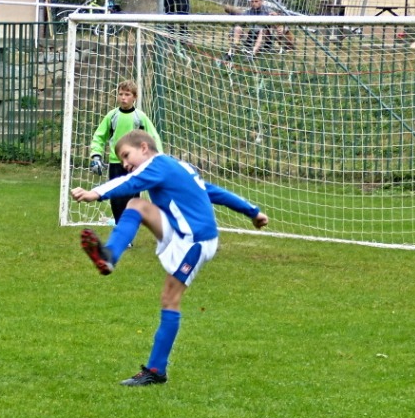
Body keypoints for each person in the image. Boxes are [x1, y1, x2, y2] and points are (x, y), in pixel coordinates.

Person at [71, 131, 269, 386]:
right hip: (178, 231)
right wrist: (252, 211)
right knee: (137, 206)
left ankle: (156, 370)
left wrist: (95, 193)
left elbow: (130, 182)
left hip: (195, 241)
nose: (125, 163)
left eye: (126, 155)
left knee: (169, 298)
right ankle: (109, 255)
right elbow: (211, 191)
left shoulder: (159, 165)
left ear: (144, 147)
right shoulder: (178, 167)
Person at [89, 80, 164, 227]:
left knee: (131, 199)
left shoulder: (140, 117)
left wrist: (158, 158)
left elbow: (153, 137)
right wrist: (96, 155)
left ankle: (128, 230)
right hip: (116, 163)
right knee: (116, 198)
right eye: (121, 94)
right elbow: (99, 136)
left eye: (127, 94)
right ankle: (120, 226)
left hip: (135, 165)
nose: (123, 97)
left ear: (134, 97)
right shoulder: (112, 116)